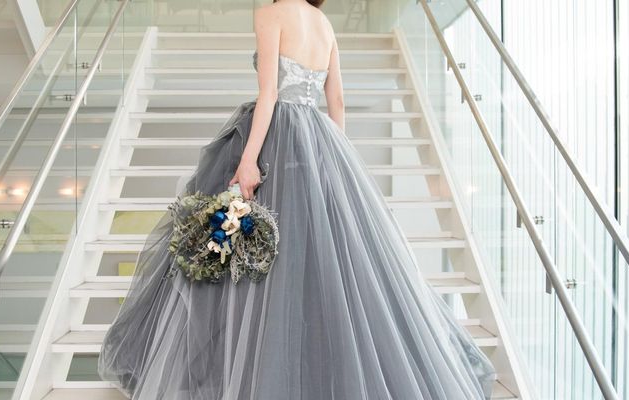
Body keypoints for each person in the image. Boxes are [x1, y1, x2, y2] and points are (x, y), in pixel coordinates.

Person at [97, 0, 497, 398]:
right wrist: (335, 162)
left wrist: (249, 160)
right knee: (314, 258)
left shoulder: (270, 14)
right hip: (319, 141)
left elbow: (270, 94)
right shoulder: (324, 24)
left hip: (277, 137)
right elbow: (337, 103)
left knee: (239, 247)